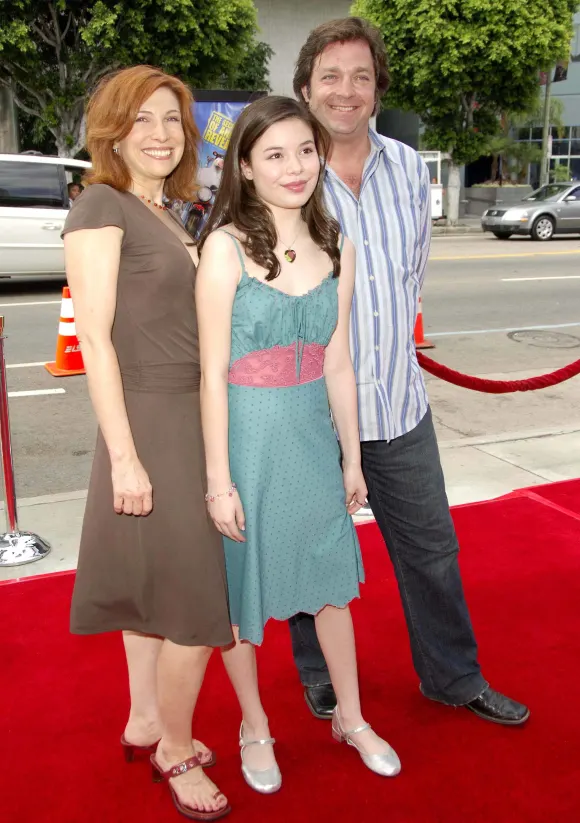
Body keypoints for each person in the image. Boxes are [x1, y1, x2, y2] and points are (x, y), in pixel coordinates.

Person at [288, 17, 530, 727]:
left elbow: (410, 277)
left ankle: (454, 677)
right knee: (312, 555)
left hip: (398, 405)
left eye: (361, 76)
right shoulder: (285, 172)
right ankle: (318, 673)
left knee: (432, 552)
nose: (346, 90)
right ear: (305, 87)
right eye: (331, 76)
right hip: (308, 414)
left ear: (378, 88)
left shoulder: (407, 168)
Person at [196, 95, 401, 793]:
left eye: (306, 151)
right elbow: (211, 376)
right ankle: (254, 724)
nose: (295, 167)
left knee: (332, 583)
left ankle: (351, 715)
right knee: (241, 592)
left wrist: (352, 456)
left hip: (313, 435)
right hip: (247, 440)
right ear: (246, 167)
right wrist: (218, 480)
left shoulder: (337, 243)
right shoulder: (223, 248)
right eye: (275, 154)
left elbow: (338, 361)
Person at [63, 65, 232, 821]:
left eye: (172, 119)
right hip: (151, 419)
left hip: (185, 413)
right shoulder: (102, 204)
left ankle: (143, 719)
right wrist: (126, 458)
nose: (161, 134)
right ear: (112, 130)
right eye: (142, 119)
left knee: (152, 587)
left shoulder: (162, 210)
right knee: (196, 599)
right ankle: (175, 746)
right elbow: (95, 340)